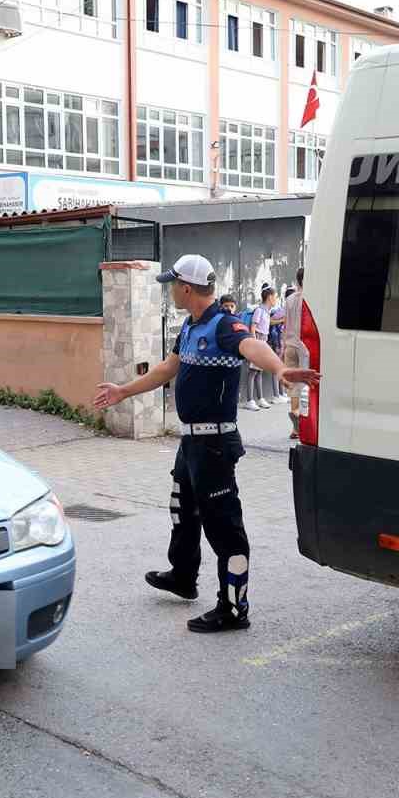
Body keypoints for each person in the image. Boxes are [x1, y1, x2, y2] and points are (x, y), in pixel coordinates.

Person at [94, 255, 319, 633]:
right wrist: (123, 392)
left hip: (215, 443)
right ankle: (183, 575)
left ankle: (234, 608)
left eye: (172, 284)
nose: (169, 290)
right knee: (182, 509)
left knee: (225, 528)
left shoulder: (223, 325)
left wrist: (280, 369)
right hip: (191, 443)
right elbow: (168, 369)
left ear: (186, 288)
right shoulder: (190, 326)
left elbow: (251, 346)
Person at [241, 286, 277, 410]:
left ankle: (260, 398)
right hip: (258, 341)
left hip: (264, 340)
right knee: (252, 372)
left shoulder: (266, 312)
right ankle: (249, 400)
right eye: (275, 297)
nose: (276, 299)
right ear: (269, 297)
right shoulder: (259, 311)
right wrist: (256, 345)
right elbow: (253, 327)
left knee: (259, 371)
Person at [282, 268, 308, 440]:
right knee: (306, 383)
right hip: (305, 346)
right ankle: (306, 422)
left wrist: (284, 346)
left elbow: (285, 323)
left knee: (293, 384)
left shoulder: (290, 299)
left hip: (290, 344)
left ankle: (295, 424)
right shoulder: (311, 299)